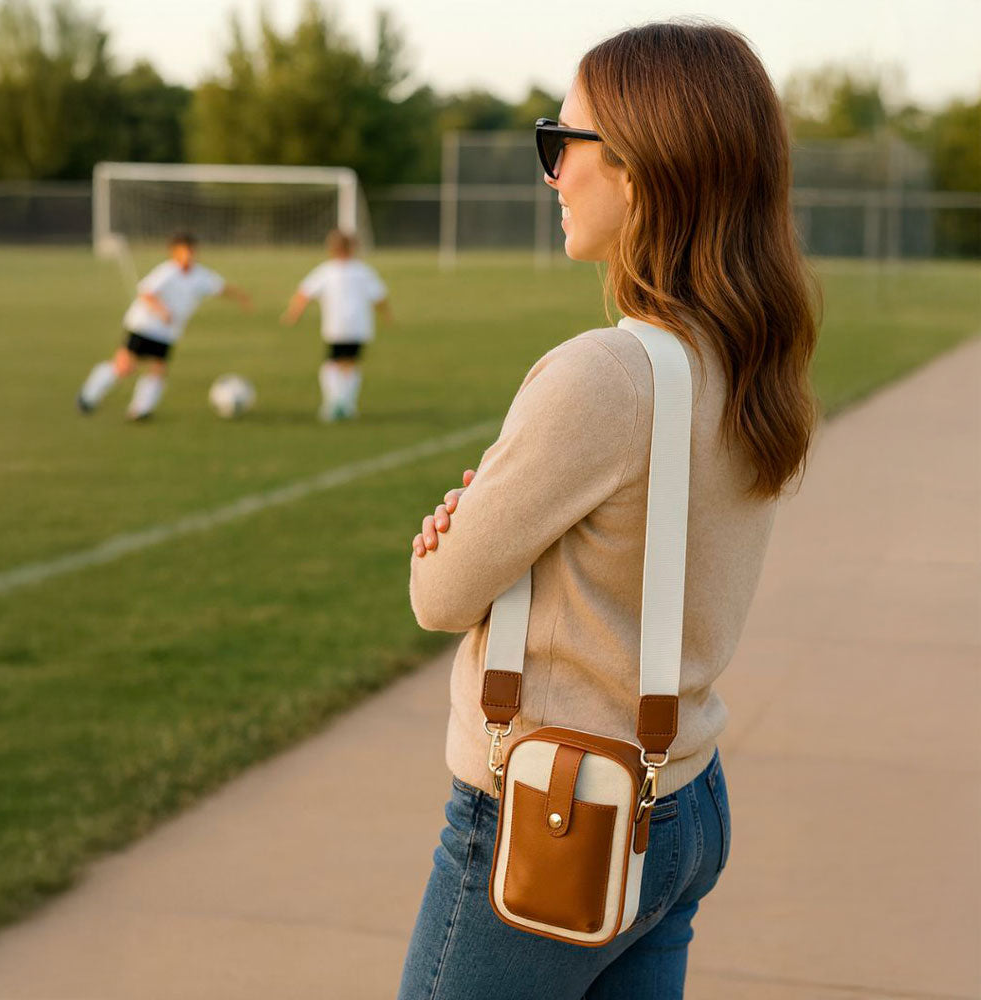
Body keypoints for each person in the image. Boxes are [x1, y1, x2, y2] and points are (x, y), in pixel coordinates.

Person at [400, 21, 819, 1000]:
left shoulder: (604, 375)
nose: (553, 174)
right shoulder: (743, 357)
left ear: (638, 172)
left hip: (556, 813)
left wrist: (456, 535)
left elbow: (438, 588)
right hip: (683, 800)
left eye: (564, 142)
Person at [77, 232, 252, 421]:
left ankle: (140, 410)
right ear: (174, 253)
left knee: (158, 369)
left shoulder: (201, 275)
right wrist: (162, 311)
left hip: (167, 332)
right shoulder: (167, 271)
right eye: (184, 252)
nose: (188, 256)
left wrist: (241, 297)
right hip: (143, 326)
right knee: (124, 366)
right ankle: (88, 396)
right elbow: (146, 293)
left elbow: (220, 288)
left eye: (191, 252)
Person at [280, 229, 391, 422]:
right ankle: (347, 405)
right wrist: (386, 316)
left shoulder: (326, 271)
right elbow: (379, 297)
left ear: (332, 249)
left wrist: (293, 315)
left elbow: (304, 293)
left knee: (332, 363)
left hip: (336, 326)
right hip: (359, 327)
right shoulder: (363, 271)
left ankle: (333, 404)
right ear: (353, 248)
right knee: (350, 363)